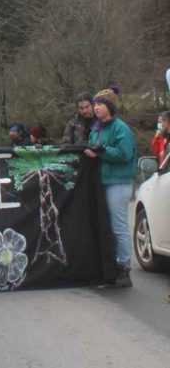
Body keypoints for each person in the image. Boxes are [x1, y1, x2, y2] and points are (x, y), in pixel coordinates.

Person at [85, 88, 137, 288]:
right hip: (102, 181)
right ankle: (109, 268)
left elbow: (124, 154)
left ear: (110, 107)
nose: (96, 107)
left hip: (118, 182)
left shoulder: (120, 128)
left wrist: (101, 151)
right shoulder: (97, 128)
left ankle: (124, 267)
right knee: (106, 227)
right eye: (95, 104)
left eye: (100, 104)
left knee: (118, 227)